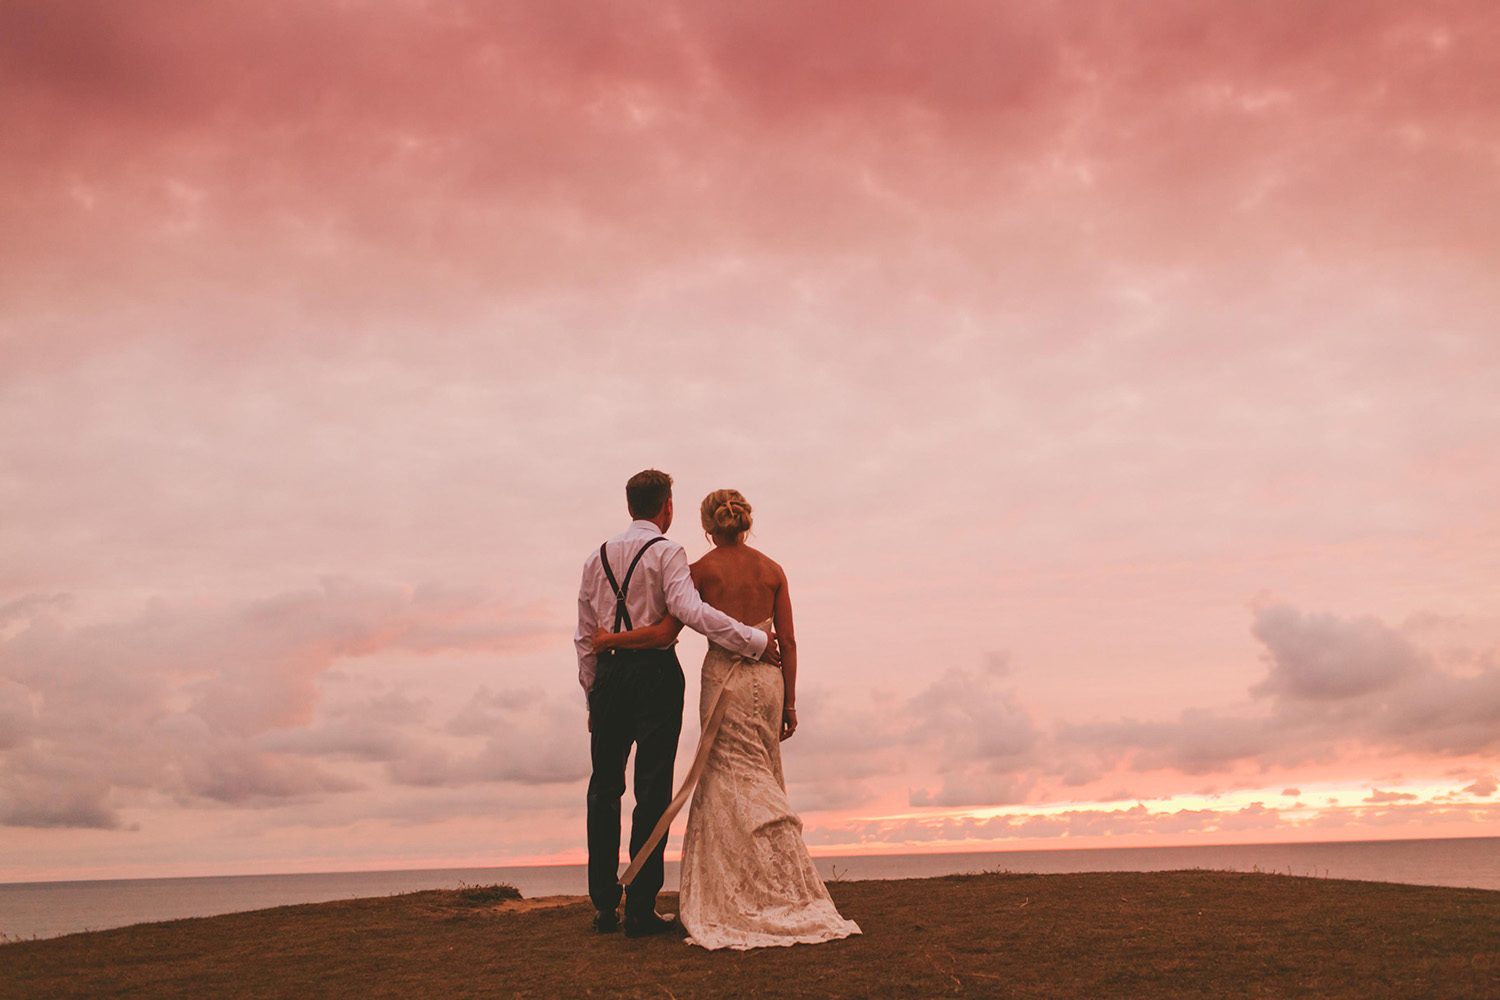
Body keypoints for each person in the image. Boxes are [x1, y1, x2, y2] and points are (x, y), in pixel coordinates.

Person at [594, 489, 861, 950]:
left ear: (707, 526)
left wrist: (609, 642)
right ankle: (777, 879)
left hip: (723, 682)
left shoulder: (698, 571)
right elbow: (790, 642)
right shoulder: (773, 570)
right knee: (762, 775)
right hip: (770, 682)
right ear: (745, 522)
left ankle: (734, 889)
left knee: (724, 779)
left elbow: (666, 632)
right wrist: (791, 702)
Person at [575, 470, 779, 937]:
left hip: (608, 675)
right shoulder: (668, 552)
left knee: (603, 789)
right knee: (652, 791)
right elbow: (690, 612)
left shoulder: (595, 559)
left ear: (630, 507)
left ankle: (605, 904)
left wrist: (593, 691)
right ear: (666, 507)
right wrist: (752, 638)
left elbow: (584, 635)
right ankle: (641, 908)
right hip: (654, 677)